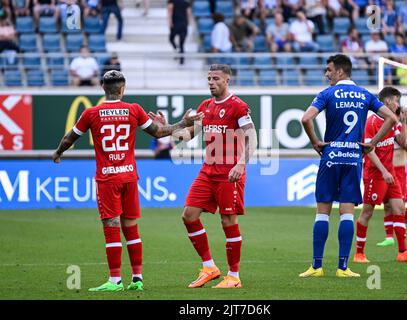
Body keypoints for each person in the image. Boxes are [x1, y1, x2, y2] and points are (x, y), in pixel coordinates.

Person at [52, 70, 203, 292]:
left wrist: (58, 153)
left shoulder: (91, 113)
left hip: (108, 178)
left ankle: (114, 281)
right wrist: (182, 121)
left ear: (103, 88)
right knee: (131, 226)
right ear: (123, 89)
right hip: (130, 176)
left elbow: (69, 138)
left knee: (111, 226)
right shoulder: (134, 110)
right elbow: (160, 133)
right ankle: (137, 279)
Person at [149, 64, 257, 288]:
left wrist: (240, 164)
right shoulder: (205, 106)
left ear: (227, 80)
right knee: (188, 215)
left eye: (216, 78)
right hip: (208, 171)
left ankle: (234, 277)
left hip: (229, 173)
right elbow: (187, 136)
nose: (211, 82)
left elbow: (252, 138)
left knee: (228, 220)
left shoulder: (238, 106)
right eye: (209, 78)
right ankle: (209, 267)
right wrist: (168, 128)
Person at [299, 54, 397, 278]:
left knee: (322, 212)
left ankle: (316, 267)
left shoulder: (327, 94)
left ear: (340, 72)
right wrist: (372, 143)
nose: (327, 74)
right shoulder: (364, 94)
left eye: (329, 70)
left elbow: (306, 119)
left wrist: (315, 142)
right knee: (347, 214)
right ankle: (343, 268)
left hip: (331, 155)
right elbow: (391, 118)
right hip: (354, 156)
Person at [354, 86, 407, 263]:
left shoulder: (392, 122)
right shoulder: (371, 122)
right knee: (367, 212)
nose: (397, 104)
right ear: (387, 102)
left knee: (399, 208)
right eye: (396, 101)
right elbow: (369, 150)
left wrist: (402, 121)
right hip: (374, 174)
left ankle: (403, 252)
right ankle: (359, 253)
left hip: (389, 173)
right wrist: (384, 171)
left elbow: (403, 142)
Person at [377, 107, 407, 247]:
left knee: (399, 205)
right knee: (387, 204)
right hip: (388, 171)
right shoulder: (384, 129)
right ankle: (389, 237)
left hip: (400, 171)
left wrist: (402, 124)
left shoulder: (405, 128)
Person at [168, 0, 192, 65]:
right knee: (181, 43)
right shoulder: (186, 3)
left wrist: (170, 22)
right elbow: (189, 13)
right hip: (183, 25)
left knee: (171, 39)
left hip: (175, 24)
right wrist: (188, 23)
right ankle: (182, 59)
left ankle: (177, 49)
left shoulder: (172, 2)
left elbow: (170, 12)